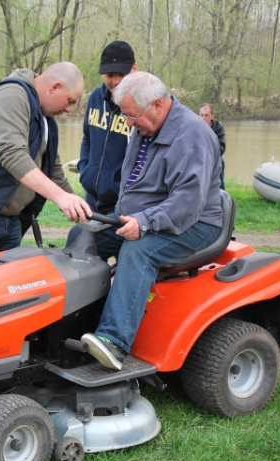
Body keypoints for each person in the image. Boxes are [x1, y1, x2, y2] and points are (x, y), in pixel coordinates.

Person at [81, 72, 223, 371]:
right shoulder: (147, 127)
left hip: (195, 223)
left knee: (138, 250)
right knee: (83, 238)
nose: (129, 124)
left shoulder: (192, 135)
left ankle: (114, 342)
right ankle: (75, 322)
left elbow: (187, 202)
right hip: (147, 217)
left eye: (133, 116)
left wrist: (143, 222)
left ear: (157, 104)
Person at [0, 62, 91, 266]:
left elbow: (52, 169)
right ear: (54, 87)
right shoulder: (11, 96)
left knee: (7, 291)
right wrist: (60, 197)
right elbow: (12, 154)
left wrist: (76, 203)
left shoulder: (45, 119)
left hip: (11, 218)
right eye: (69, 101)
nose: (68, 109)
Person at [67, 40, 138, 261]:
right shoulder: (96, 99)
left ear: (133, 70)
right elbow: (87, 137)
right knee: (81, 256)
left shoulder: (139, 105)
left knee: (118, 257)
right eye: (109, 75)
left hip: (121, 203)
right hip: (92, 199)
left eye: (120, 74)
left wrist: (121, 186)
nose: (114, 81)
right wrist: (86, 169)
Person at [199, 103, 226, 189]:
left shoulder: (218, 127)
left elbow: (221, 147)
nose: (203, 118)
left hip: (213, 157)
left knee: (220, 162)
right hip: (198, 156)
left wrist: (209, 156)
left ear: (212, 116)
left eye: (206, 115)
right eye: (201, 115)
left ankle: (221, 192)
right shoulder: (194, 125)